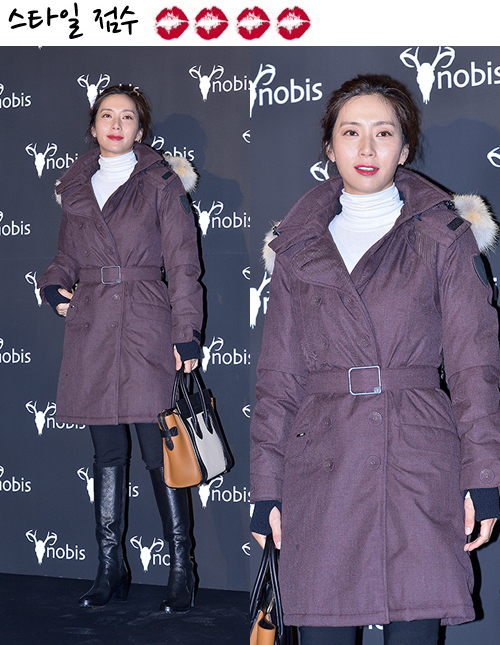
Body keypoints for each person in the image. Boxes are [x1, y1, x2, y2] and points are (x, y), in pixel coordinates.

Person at [250, 74, 500, 645]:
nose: (367, 148)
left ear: (404, 148)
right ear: (329, 146)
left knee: (415, 623)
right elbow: (279, 378)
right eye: (351, 132)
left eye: (383, 133)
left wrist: (483, 476)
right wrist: (266, 487)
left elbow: (475, 370)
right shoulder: (295, 246)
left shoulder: (444, 235)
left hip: (418, 458)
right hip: (323, 461)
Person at [38, 84, 203, 613]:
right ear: (93, 127)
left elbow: (183, 263)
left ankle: (181, 569)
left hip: (146, 323)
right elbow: (66, 257)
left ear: (140, 128)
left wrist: (186, 332)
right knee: (107, 453)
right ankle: (110, 568)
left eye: (127, 116)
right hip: (92, 326)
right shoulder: (75, 186)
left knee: (160, 452)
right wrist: (52, 287)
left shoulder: (160, 181)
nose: (116, 124)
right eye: (106, 115)